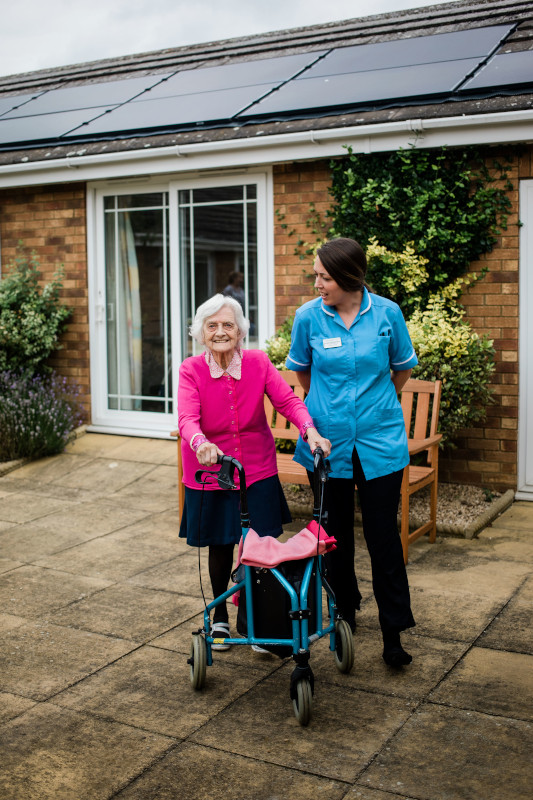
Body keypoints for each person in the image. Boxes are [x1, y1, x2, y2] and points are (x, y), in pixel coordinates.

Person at [285, 237, 418, 668]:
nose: (317, 283)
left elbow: (402, 367)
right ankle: (344, 612)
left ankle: (393, 632)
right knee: (334, 538)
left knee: (384, 540)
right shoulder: (308, 318)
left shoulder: (387, 314)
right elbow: (302, 374)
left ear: (347, 277)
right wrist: (330, 412)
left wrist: (374, 406)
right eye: (317, 276)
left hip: (380, 445)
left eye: (324, 277)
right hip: (328, 445)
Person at [178, 293, 330, 650]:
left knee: (260, 547)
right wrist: (200, 442)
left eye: (228, 324)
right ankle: (220, 620)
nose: (220, 331)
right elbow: (187, 417)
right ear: (200, 333)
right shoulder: (191, 370)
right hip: (212, 471)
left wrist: (310, 431)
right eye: (211, 325)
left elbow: (289, 401)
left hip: (256, 470)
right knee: (220, 546)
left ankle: (257, 618)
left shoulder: (259, 363)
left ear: (241, 331)